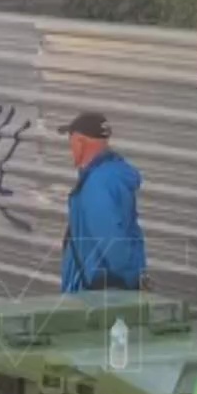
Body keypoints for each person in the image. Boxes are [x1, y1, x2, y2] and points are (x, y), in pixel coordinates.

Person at [58, 112, 148, 292]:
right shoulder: (110, 175)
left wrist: (129, 281)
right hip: (103, 288)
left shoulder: (97, 184)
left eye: (71, 142)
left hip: (98, 294)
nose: (71, 150)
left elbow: (111, 239)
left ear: (80, 143)